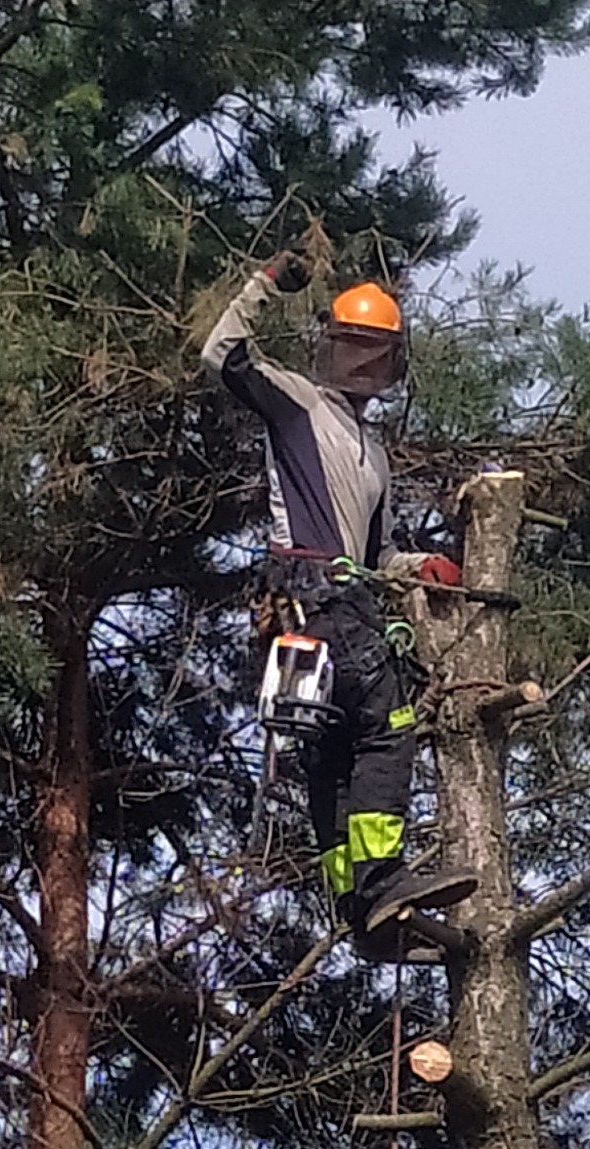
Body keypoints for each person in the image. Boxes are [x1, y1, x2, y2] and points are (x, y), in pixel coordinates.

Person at [201, 252, 477, 960]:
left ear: (387, 362)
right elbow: (222, 353)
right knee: (388, 724)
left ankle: (360, 914)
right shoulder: (293, 402)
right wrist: (262, 286)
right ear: (329, 347)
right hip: (308, 594)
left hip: (338, 596)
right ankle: (381, 882)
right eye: (349, 347)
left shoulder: (375, 454)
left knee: (331, 756)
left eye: (370, 352)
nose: (358, 364)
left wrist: (426, 566)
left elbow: (380, 555)